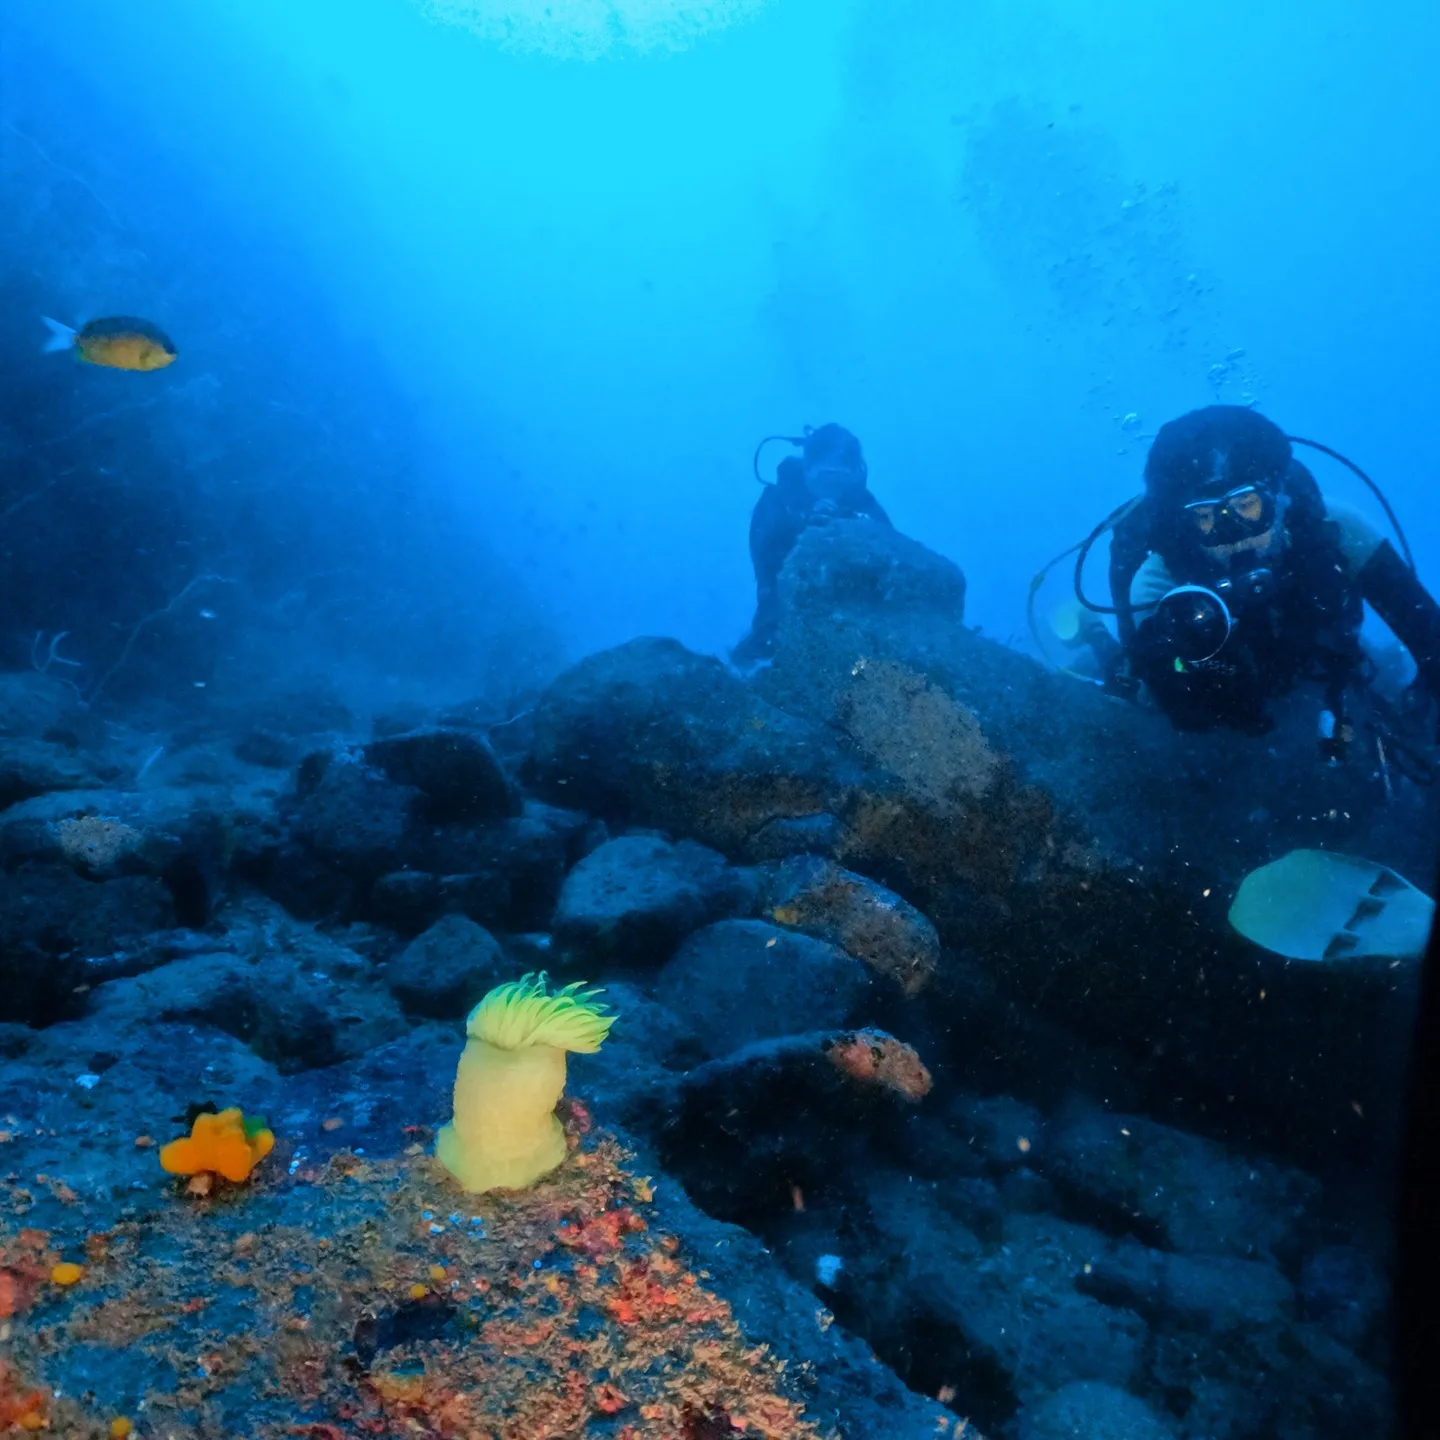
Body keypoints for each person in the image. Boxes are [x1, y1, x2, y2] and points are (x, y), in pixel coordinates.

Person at [1100, 405, 1440, 753]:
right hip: (1234, 682)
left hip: (1311, 663)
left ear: (1278, 497)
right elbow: (1174, 701)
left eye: (1246, 505)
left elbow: (1428, 632)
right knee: (1141, 695)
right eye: (1206, 516)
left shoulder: (1338, 532)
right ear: (1186, 524)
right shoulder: (1157, 581)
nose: (1233, 533)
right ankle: (1093, 637)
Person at [732, 423, 892, 664]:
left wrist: (853, 527)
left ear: (857, 475)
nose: (833, 489)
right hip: (790, 610)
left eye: (843, 479)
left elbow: (895, 554)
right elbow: (767, 568)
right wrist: (806, 531)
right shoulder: (777, 503)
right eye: (825, 477)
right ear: (807, 471)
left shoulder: (863, 503)